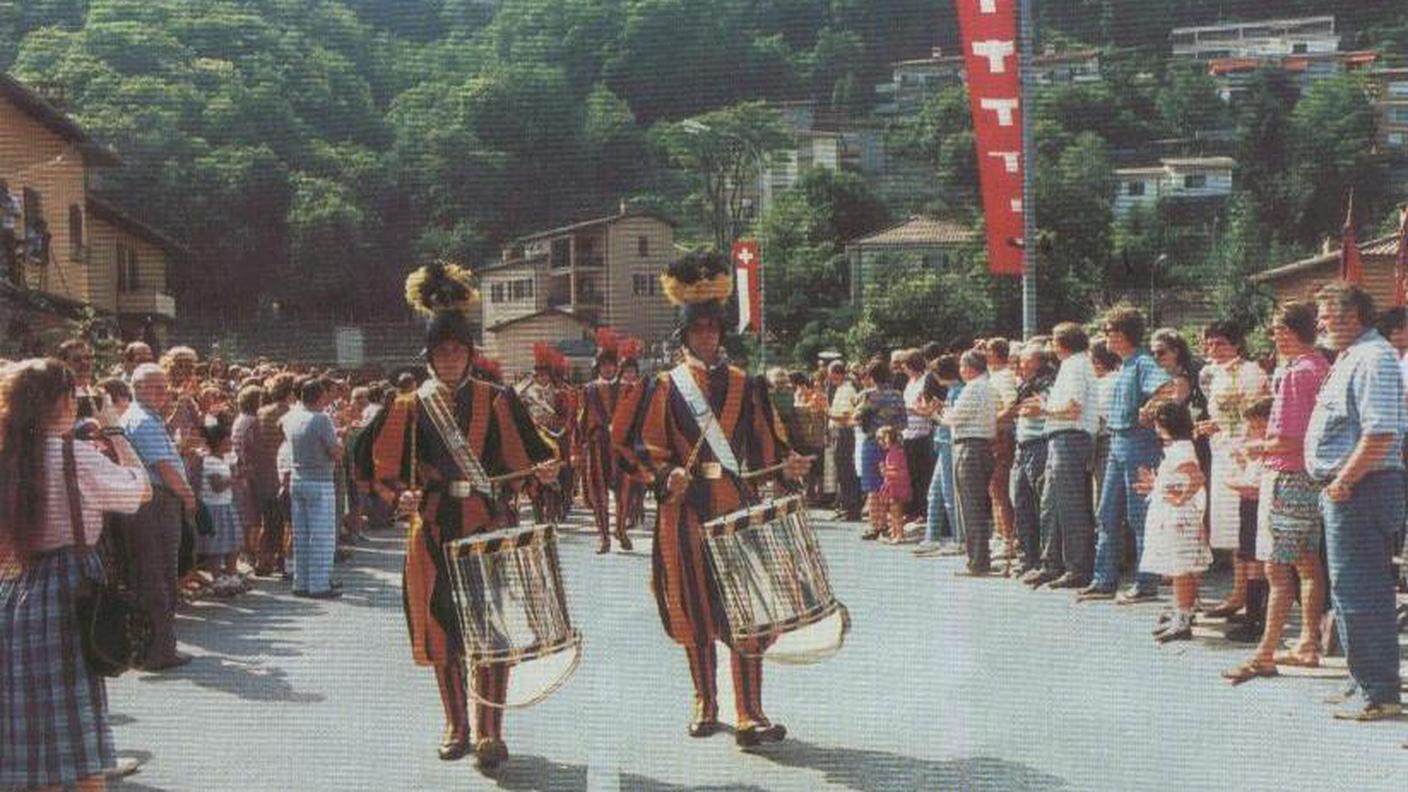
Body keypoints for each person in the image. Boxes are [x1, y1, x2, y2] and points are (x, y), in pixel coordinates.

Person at [355, 262, 557, 772]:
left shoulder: (498, 400)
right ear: (428, 356)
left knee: (492, 630)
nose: (449, 359)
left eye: (457, 350)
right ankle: (456, 725)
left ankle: (491, 730)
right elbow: (375, 469)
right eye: (440, 351)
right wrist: (396, 496)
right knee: (443, 631)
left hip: (488, 529)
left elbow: (525, 461)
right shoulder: (407, 406)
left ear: (470, 354)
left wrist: (545, 474)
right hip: (434, 532)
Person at [629, 251, 810, 749]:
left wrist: (788, 464)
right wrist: (665, 475)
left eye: (712, 331)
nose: (706, 338)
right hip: (684, 512)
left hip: (735, 506)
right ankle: (705, 702)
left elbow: (766, 442)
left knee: (746, 606)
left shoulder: (744, 384)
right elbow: (641, 445)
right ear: (684, 336)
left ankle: (749, 711)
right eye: (698, 332)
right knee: (694, 605)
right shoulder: (664, 387)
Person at [0, 359, 152, 792]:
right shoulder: (75, 456)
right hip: (71, 590)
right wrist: (117, 432)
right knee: (81, 743)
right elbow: (140, 490)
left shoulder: (5, 458)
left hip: (13, 593)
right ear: (64, 402)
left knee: (31, 738)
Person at [1304, 281, 1405, 721]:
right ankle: (1362, 680)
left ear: (1352, 317)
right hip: (1351, 487)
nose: (1320, 324)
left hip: (1362, 488)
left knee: (1362, 589)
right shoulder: (1352, 357)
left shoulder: (1373, 358)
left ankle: (1380, 693)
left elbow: (1381, 433)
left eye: (1325, 316)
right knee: (1348, 589)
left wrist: (1344, 479)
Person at [1225, 302, 1331, 683]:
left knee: (1276, 568)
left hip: (1289, 476)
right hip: (1311, 477)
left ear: (1290, 331)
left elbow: (1288, 439)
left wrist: (1255, 448)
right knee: (1307, 563)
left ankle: (1265, 653)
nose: (1273, 336)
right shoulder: (1320, 366)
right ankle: (1307, 644)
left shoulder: (1296, 373)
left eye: (1276, 329)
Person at [1083, 306, 1170, 603]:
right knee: (1107, 512)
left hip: (1138, 442)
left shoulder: (1142, 362)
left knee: (1139, 515)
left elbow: (1166, 389)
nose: (1106, 337)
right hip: (1119, 442)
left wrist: (1148, 410)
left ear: (1122, 335)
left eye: (1109, 331)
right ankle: (1104, 578)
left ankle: (1146, 583)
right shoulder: (1125, 365)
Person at [120, 363, 199, 670]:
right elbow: (164, 469)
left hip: (152, 503)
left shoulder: (144, 418)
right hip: (156, 505)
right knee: (160, 575)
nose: (161, 393)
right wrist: (189, 496)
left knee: (155, 573)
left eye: (163, 387)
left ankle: (153, 647)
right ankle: (159, 650)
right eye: (154, 387)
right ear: (137, 388)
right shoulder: (143, 421)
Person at [1197, 321, 1270, 639]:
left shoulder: (1250, 371)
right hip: (1223, 453)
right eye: (1210, 344)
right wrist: (1212, 427)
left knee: (1246, 528)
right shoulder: (1213, 374)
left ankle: (1247, 597)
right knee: (1229, 526)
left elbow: (1255, 414)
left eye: (1221, 344)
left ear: (1237, 345)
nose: (1214, 349)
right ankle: (1238, 594)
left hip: (1245, 453)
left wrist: (1230, 435)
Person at [1029, 323, 1099, 589]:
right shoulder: (1074, 365)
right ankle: (1052, 563)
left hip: (1070, 438)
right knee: (1051, 503)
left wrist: (1044, 409)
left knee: (1069, 505)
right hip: (1061, 439)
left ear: (1061, 343)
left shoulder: (1075, 366)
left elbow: (1072, 409)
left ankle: (1077, 567)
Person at [1135, 399, 1210, 643]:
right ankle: (1182, 612)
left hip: (1178, 516)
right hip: (1175, 514)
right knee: (1181, 568)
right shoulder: (1180, 446)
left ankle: (1183, 618)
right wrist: (1156, 485)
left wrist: (1181, 498)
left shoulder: (1180, 449)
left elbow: (1196, 477)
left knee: (1181, 569)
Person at [282, 378, 344, 599]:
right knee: (322, 535)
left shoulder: (292, 419)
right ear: (321, 397)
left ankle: (301, 581)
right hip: (320, 480)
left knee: (301, 533)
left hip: (297, 479)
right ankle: (319, 584)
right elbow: (335, 452)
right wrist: (341, 444)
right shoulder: (322, 419)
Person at [579, 330, 632, 553]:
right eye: (604, 365)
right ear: (598, 367)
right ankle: (604, 537)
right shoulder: (588, 390)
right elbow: (581, 419)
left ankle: (620, 529)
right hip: (597, 445)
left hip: (621, 447)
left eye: (611, 365)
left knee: (624, 492)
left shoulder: (628, 388)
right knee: (598, 493)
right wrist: (579, 447)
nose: (608, 369)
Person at [946, 349, 997, 575]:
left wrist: (940, 413)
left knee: (971, 505)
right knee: (977, 505)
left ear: (968, 368)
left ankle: (977, 561)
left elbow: (953, 418)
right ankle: (979, 557)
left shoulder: (974, 387)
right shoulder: (988, 386)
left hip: (970, 446)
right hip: (983, 446)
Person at [1010, 342, 1053, 579]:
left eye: (1027, 362)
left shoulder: (1047, 383)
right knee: (1021, 503)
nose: (1022, 366)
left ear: (1038, 362)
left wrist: (1029, 408)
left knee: (1039, 505)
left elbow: (1037, 409)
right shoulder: (1024, 385)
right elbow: (1021, 409)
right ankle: (1028, 558)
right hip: (1022, 446)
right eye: (1021, 362)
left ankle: (1044, 559)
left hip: (1039, 445)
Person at [854, 360, 904, 541]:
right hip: (892, 443)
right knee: (890, 483)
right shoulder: (897, 395)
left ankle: (876, 525)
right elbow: (903, 422)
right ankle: (891, 525)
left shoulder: (867, 395)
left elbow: (857, 418)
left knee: (872, 486)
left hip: (872, 441)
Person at [195, 420, 245, 596]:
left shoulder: (225, 458)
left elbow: (232, 474)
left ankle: (232, 574)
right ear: (217, 443)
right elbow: (217, 486)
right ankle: (217, 578)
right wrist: (235, 479)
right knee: (216, 547)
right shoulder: (210, 462)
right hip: (213, 508)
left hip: (226, 504)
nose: (229, 444)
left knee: (233, 543)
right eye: (226, 441)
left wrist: (235, 470)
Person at [827, 361, 861, 522]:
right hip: (837, 431)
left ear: (839, 373)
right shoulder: (840, 388)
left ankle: (852, 508)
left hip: (844, 432)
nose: (829, 377)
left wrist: (825, 412)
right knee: (840, 472)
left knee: (846, 471)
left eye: (832, 373)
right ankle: (845, 505)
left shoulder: (848, 390)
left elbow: (846, 416)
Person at [876, 426, 910, 544]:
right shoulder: (891, 453)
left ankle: (899, 534)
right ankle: (895, 532)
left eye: (881, 439)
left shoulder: (895, 453)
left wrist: (885, 471)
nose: (880, 442)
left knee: (896, 512)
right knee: (892, 511)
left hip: (897, 486)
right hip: (892, 485)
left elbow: (899, 471)